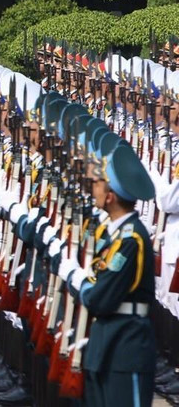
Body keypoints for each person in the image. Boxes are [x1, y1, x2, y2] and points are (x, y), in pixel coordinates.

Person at [60, 144, 157, 407]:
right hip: (107, 345)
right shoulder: (117, 235)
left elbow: (100, 298)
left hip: (126, 347)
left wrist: (76, 280)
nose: (93, 188)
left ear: (111, 195)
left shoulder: (131, 239)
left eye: (99, 183)